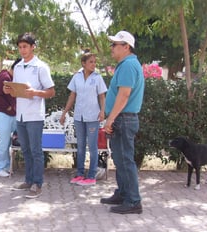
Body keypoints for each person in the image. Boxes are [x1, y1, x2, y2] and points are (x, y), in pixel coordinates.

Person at [100, 30, 145, 214]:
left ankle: (133, 201)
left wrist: (110, 119)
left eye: (115, 44)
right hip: (122, 118)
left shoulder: (127, 65)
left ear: (126, 47)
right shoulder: (127, 64)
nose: (112, 48)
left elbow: (124, 94)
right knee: (120, 159)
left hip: (123, 119)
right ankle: (123, 193)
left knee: (125, 160)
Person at [8, 32, 55, 199]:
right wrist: (11, 90)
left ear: (33, 47)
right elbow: (17, 90)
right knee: (25, 150)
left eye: (25, 47)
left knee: (36, 150)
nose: (22, 50)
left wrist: (35, 92)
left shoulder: (41, 67)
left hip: (35, 115)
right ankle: (28, 180)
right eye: (20, 47)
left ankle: (38, 183)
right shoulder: (18, 67)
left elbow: (51, 91)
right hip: (20, 115)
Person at [60, 50, 107, 186]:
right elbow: (72, 96)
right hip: (79, 116)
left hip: (93, 116)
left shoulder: (97, 78)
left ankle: (91, 175)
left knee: (92, 146)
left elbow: (102, 96)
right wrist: (64, 113)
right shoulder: (77, 77)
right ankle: (80, 174)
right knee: (80, 146)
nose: (93, 64)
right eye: (91, 62)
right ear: (83, 63)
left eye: (94, 62)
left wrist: (102, 111)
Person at [0, 58, 22, 177]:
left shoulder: (10, 78)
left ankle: (6, 166)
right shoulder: (4, 77)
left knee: (9, 142)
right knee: (4, 141)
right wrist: (8, 107)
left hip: (11, 114)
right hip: (4, 114)